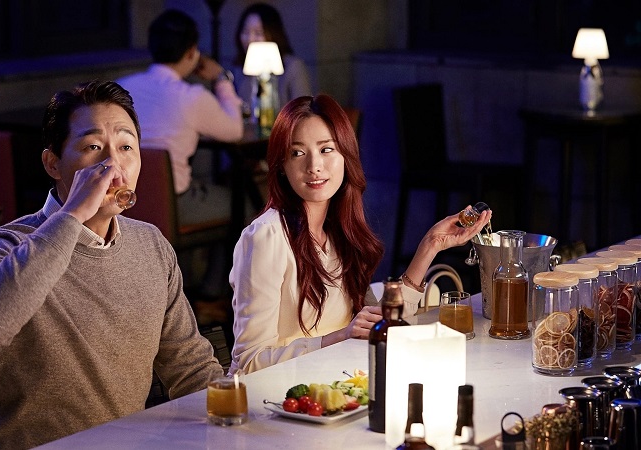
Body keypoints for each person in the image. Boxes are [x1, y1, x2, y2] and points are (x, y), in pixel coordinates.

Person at [0, 79, 225, 449]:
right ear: (53, 163)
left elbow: (189, 367)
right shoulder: (6, 244)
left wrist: (239, 424)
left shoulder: (150, 244)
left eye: (126, 147)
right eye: (93, 147)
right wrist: (73, 214)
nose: (112, 164)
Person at [228, 95, 491, 375]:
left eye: (326, 149)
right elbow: (249, 362)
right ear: (281, 165)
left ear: (345, 156)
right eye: (298, 153)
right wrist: (341, 336)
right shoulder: (266, 236)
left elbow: (376, 321)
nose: (314, 166)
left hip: (333, 383)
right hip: (276, 394)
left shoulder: (338, 230)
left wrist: (431, 245)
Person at [117, 9, 243, 225]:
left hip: (122, 202)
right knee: (246, 204)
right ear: (192, 52)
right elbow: (235, 130)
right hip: (173, 204)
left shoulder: (121, 88)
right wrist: (222, 78)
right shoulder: (192, 97)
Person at [232, 3, 312, 112]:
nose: (250, 39)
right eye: (245, 32)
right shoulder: (239, 68)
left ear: (274, 34)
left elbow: (304, 112)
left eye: (258, 33)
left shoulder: (293, 67)